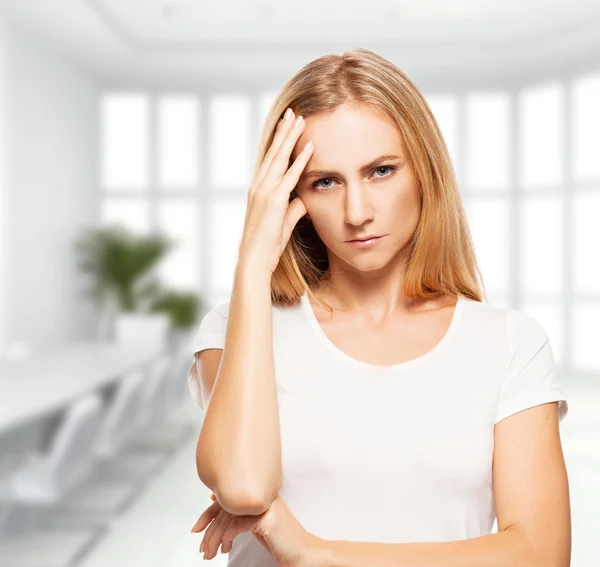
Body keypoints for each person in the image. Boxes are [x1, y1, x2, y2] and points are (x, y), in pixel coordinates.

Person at [186, 48, 571, 566]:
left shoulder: (509, 344)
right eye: (325, 181)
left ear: (424, 172)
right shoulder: (238, 327)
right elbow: (244, 488)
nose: (357, 212)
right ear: (288, 196)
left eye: (381, 170)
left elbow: (541, 554)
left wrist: (314, 553)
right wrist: (253, 267)